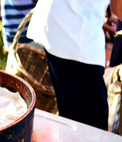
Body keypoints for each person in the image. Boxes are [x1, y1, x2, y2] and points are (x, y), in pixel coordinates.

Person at [27, 0, 122, 131]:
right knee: (93, 132)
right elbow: (118, 6)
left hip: (59, 26)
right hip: (74, 38)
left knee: (72, 121)